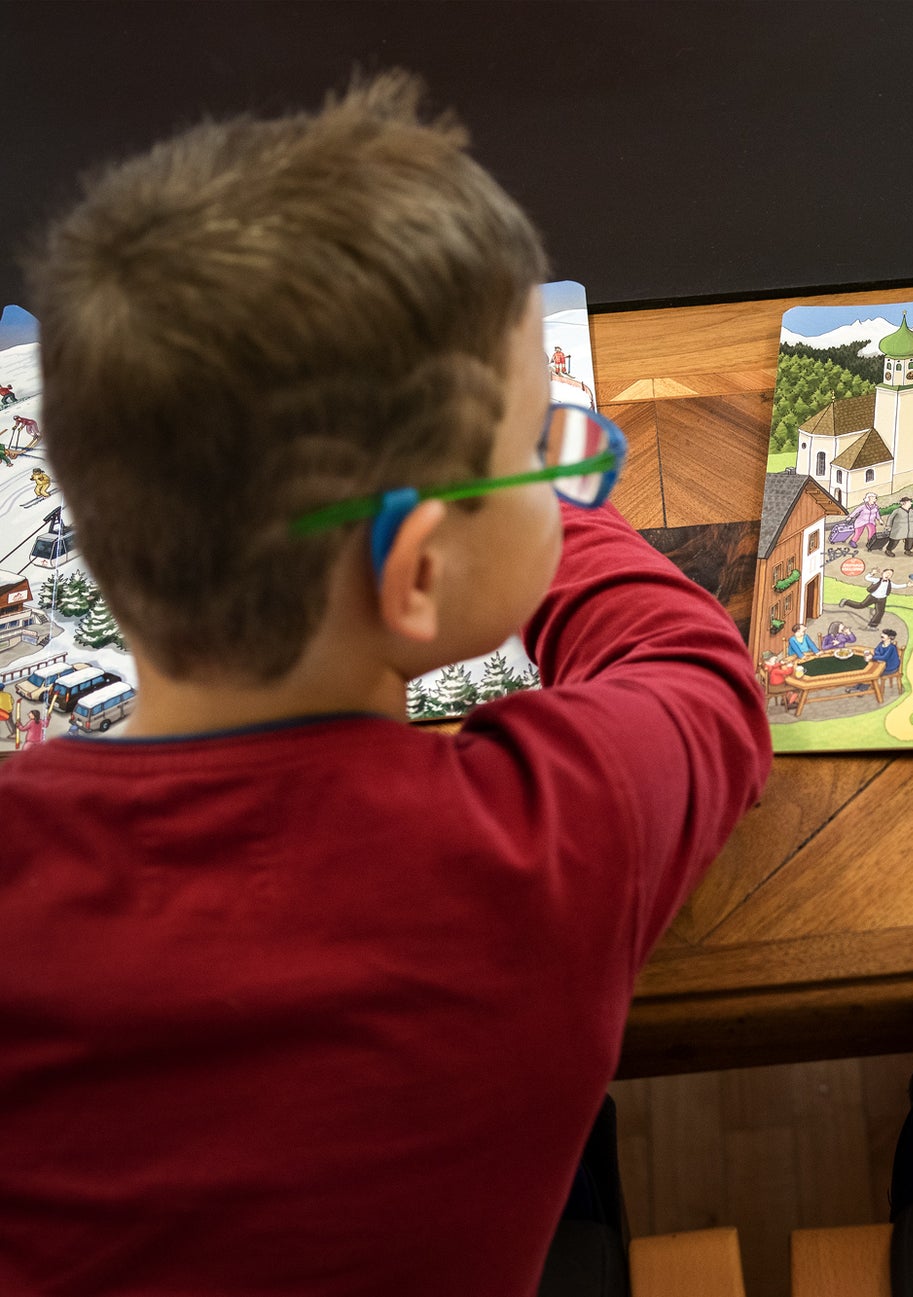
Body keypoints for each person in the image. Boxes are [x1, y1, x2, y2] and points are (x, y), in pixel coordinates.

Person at [0, 73, 773, 1295]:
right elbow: (693, 671)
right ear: (417, 575)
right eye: (541, 449)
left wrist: (487, 498)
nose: (561, 468)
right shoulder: (549, 839)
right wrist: (548, 523)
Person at [838, 566, 904, 629]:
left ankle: (872, 626)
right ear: (882, 573)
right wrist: (872, 573)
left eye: (890, 575)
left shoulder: (890, 583)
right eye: (887, 573)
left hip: (882, 599)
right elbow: (867, 578)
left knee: (880, 612)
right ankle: (846, 601)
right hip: (873, 597)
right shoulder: (877, 580)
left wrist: (906, 585)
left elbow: (897, 586)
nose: (888, 575)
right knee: (861, 605)